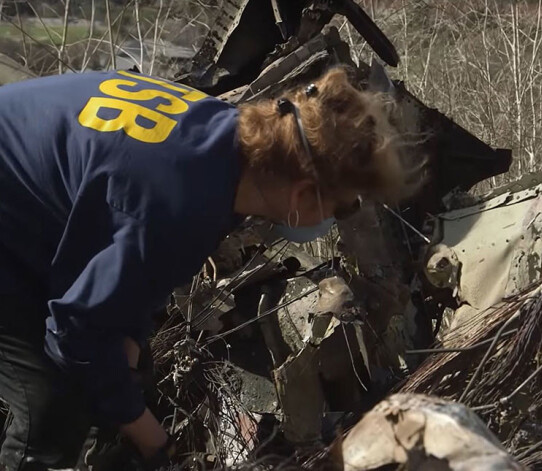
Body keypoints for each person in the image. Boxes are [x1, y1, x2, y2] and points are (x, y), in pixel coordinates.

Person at [0, 67, 420, 470]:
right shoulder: (181, 204)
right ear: (304, 194)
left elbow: (129, 261)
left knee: (117, 372)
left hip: (28, 201)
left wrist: (127, 343)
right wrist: (155, 445)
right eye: (344, 206)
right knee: (50, 404)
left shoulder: (226, 146)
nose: (339, 216)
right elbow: (74, 333)